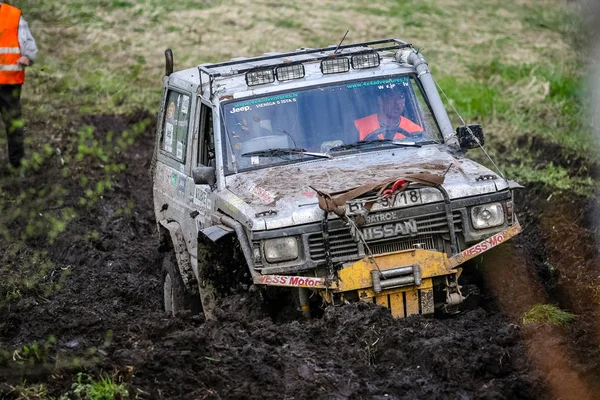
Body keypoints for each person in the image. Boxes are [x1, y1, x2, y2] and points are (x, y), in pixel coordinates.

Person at [0, 1, 38, 169]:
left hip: (10, 82)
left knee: (13, 125)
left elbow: (28, 42)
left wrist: (28, 56)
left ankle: (17, 166)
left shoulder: (14, 15)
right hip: (10, 81)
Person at [354, 89, 422, 141]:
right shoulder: (358, 126)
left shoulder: (415, 130)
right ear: (380, 100)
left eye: (401, 97)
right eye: (392, 97)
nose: (397, 102)